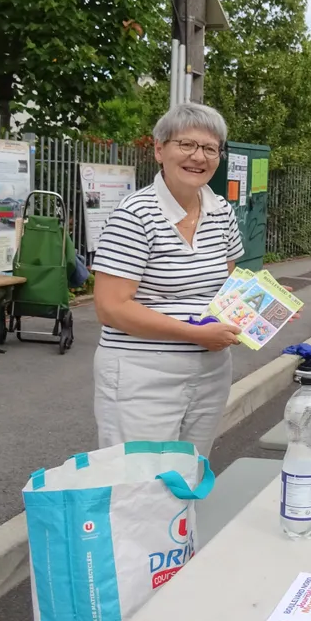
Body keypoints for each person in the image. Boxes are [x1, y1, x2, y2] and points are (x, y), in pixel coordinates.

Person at [90, 104, 244, 451]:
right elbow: (110, 308)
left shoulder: (221, 211)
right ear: (160, 149)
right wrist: (195, 334)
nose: (198, 157)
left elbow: (230, 286)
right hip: (143, 375)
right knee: (139, 484)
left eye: (209, 148)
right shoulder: (135, 215)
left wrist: (265, 304)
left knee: (189, 475)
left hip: (211, 372)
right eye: (186, 145)